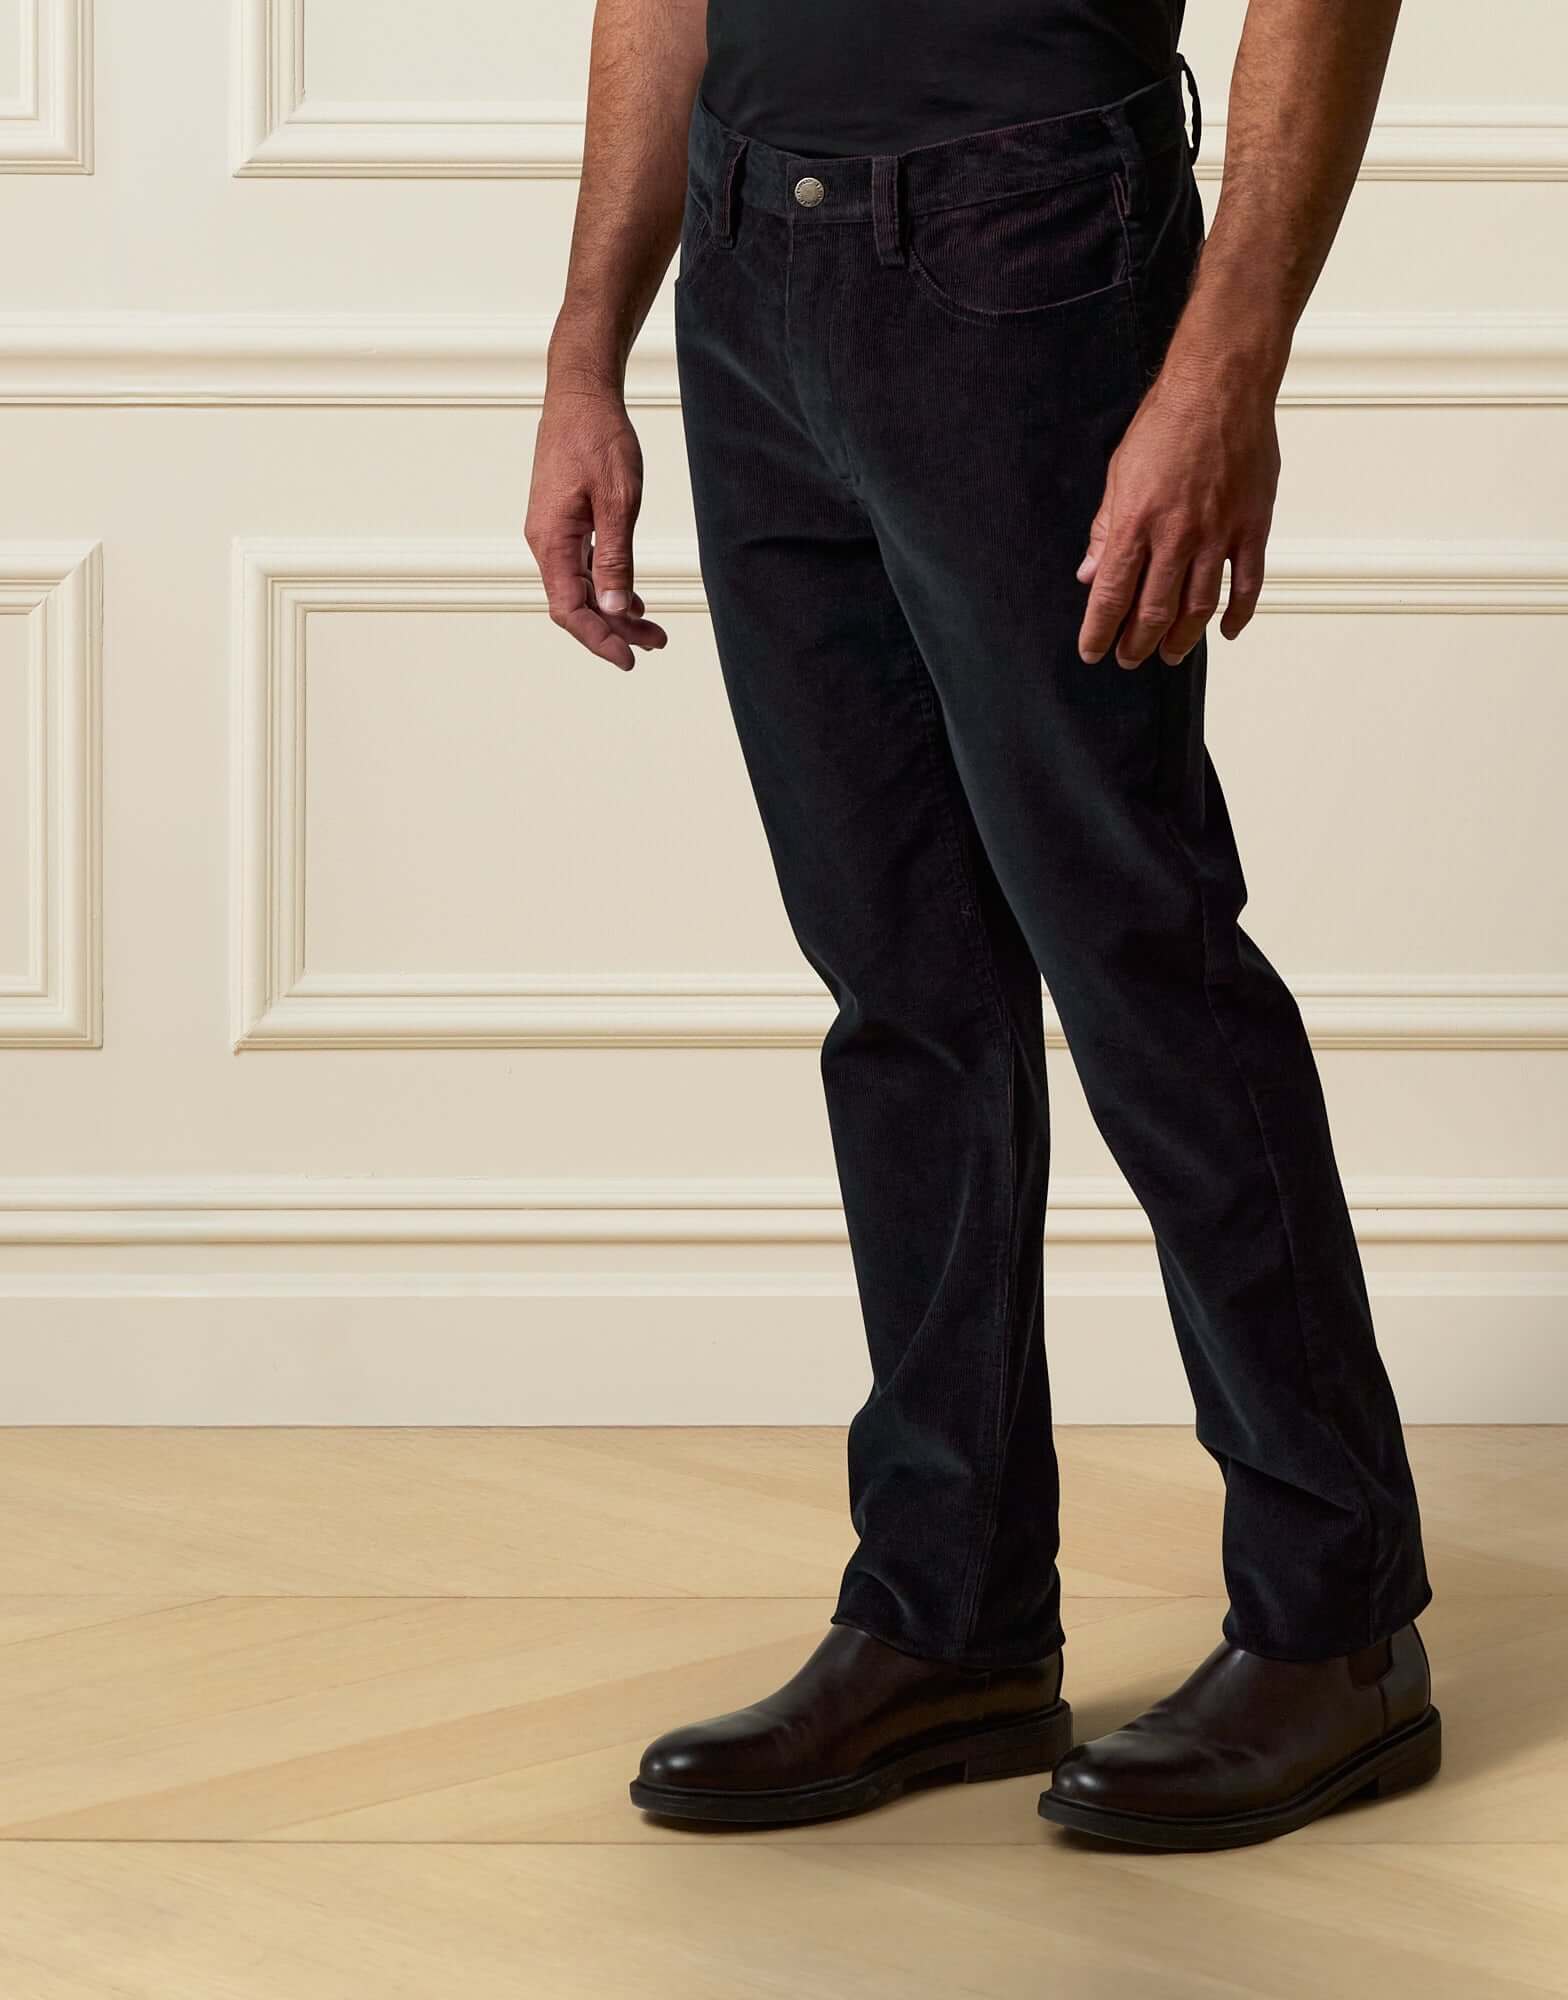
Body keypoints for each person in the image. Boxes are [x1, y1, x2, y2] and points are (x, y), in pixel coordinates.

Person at [526, 0, 1435, 1853]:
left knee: (1142, 959)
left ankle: (1336, 1625)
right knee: (901, 984)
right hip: (749, 259)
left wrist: (1224, 366)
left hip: (1033, 248)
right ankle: (951, 1617)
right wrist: (583, 348)